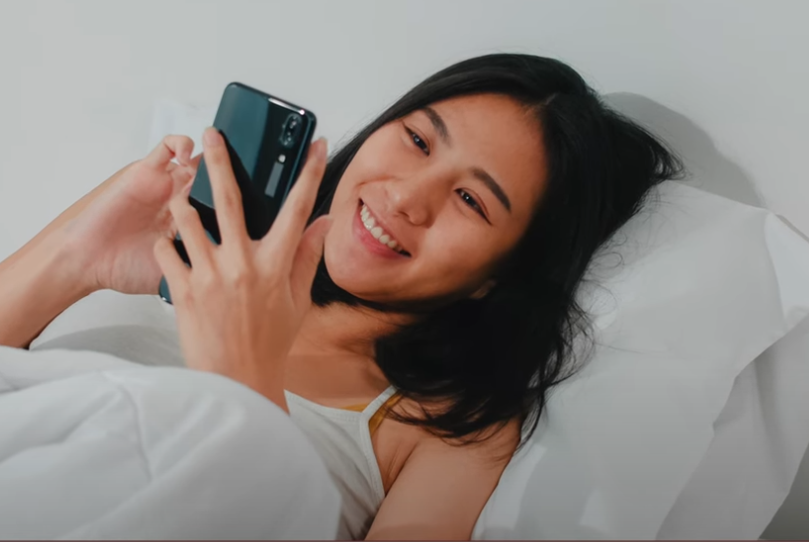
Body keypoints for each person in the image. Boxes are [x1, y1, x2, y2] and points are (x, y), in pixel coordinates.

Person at [0, 53, 682, 540]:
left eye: (471, 200)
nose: (407, 197)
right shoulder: (192, 242)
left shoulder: (446, 428)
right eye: (417, 139)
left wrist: (242, 384)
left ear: (500, 274)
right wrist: (75, 260)